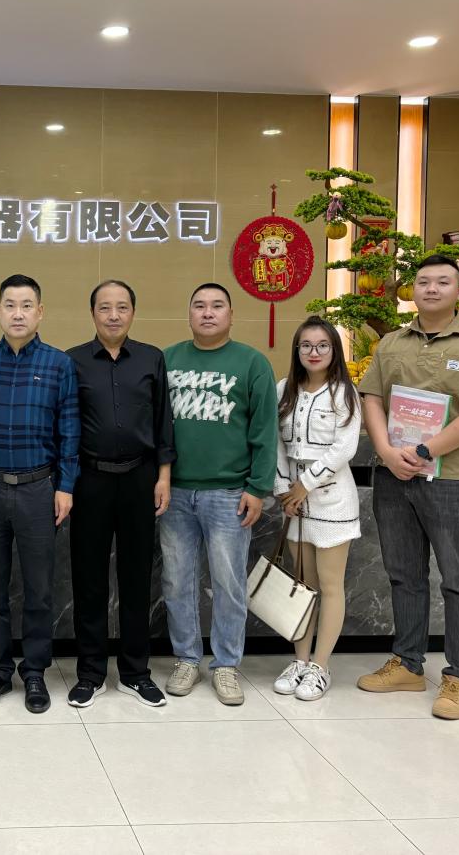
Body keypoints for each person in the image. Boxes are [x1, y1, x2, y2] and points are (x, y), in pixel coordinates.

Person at [356, 254, 459, 720]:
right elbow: (372, 398)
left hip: (450, 478)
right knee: (404, 574)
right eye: (423, 281)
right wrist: (386, 451)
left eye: (443, 282)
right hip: (394, 475)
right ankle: (407, 664)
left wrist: (424, 451)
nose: (431, 289)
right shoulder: (391, 342)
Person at [0, 274, 79, 714]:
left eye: (27, 305)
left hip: (38, 489)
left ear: (40, 312)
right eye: (10, 305)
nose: (18, 313)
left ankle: (35, 672)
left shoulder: (59, 364)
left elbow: (69, 431)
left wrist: (65, 486)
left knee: (39, 589)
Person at [160, 282, 277, 705]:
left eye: (216, 306)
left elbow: (265, 430)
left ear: (231, 314)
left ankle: (226, 664)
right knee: (177, 580)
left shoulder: (252, 363)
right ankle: (187, 658)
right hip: (175, 493)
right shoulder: (167, 360)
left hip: (229, 494)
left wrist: (258, 488)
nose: (207, 313)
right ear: (189, 314)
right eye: (199, 306)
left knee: (229, 584)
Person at [65, 280, 174, 709]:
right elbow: (65, 426)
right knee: (88, 578)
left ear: (132, 312)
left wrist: (163, 476)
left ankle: (135, 672)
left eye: (122, 307)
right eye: (105, 308)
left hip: (140, 479)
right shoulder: (72, 361)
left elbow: (163, 421)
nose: (113, 315)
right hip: (89, 480)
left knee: (136, 577)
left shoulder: (151, 358)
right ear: (92, 313)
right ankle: (90, 673)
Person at [271, 317, 362, 702]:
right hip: (294, 503)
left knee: (329, 585)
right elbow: (275, 442)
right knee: (302, 586)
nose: (314, 352)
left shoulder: (344, 393)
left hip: (332, 500)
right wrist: (283, 489)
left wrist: (305, 485)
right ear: (297, 350)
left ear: (333, 350)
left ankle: (320, 667)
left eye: (322, 345)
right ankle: (300, 661)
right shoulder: (283, 390)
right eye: (306, 345)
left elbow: (344, 448)